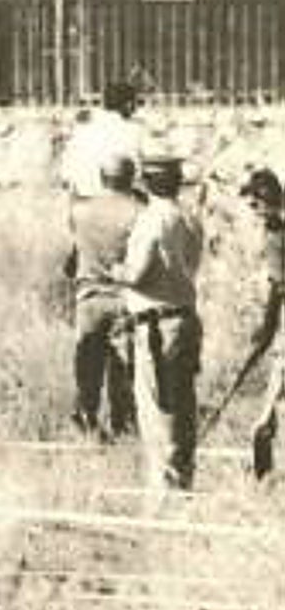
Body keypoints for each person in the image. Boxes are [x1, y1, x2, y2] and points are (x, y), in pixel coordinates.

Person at [111, 155, 203, 491]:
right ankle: (182, 482)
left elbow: (137, 273)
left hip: (156, 322)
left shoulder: (152, 219)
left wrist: (116, 271)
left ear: (146, 182)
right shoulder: (189, 218)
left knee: (156, 410)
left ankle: (164, 490)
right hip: (184, 316)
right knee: (182, 406)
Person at [64, 152, 143, 440]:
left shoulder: (80, 211)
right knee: (124, 372)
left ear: (101, 177)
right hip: (125, 297)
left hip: (90, 296)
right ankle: (123, 428)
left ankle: (88, 426)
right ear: (131, 178)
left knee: (88, 368)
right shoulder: (139, 211)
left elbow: (71, 260)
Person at [238, 169, 285, 479]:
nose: (253, 212)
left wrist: (265, 333)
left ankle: (263, 476)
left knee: (269, 410)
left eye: (254, 204)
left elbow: (278, 289)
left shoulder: (274, 233)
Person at [61, 81, 144, 200]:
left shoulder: (82, 125)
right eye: (136, 103)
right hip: (116, 200)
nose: (136, 109)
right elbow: (140, 171)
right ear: (129, 104)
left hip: (80, 199)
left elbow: (65, 175)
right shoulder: (134, 129)